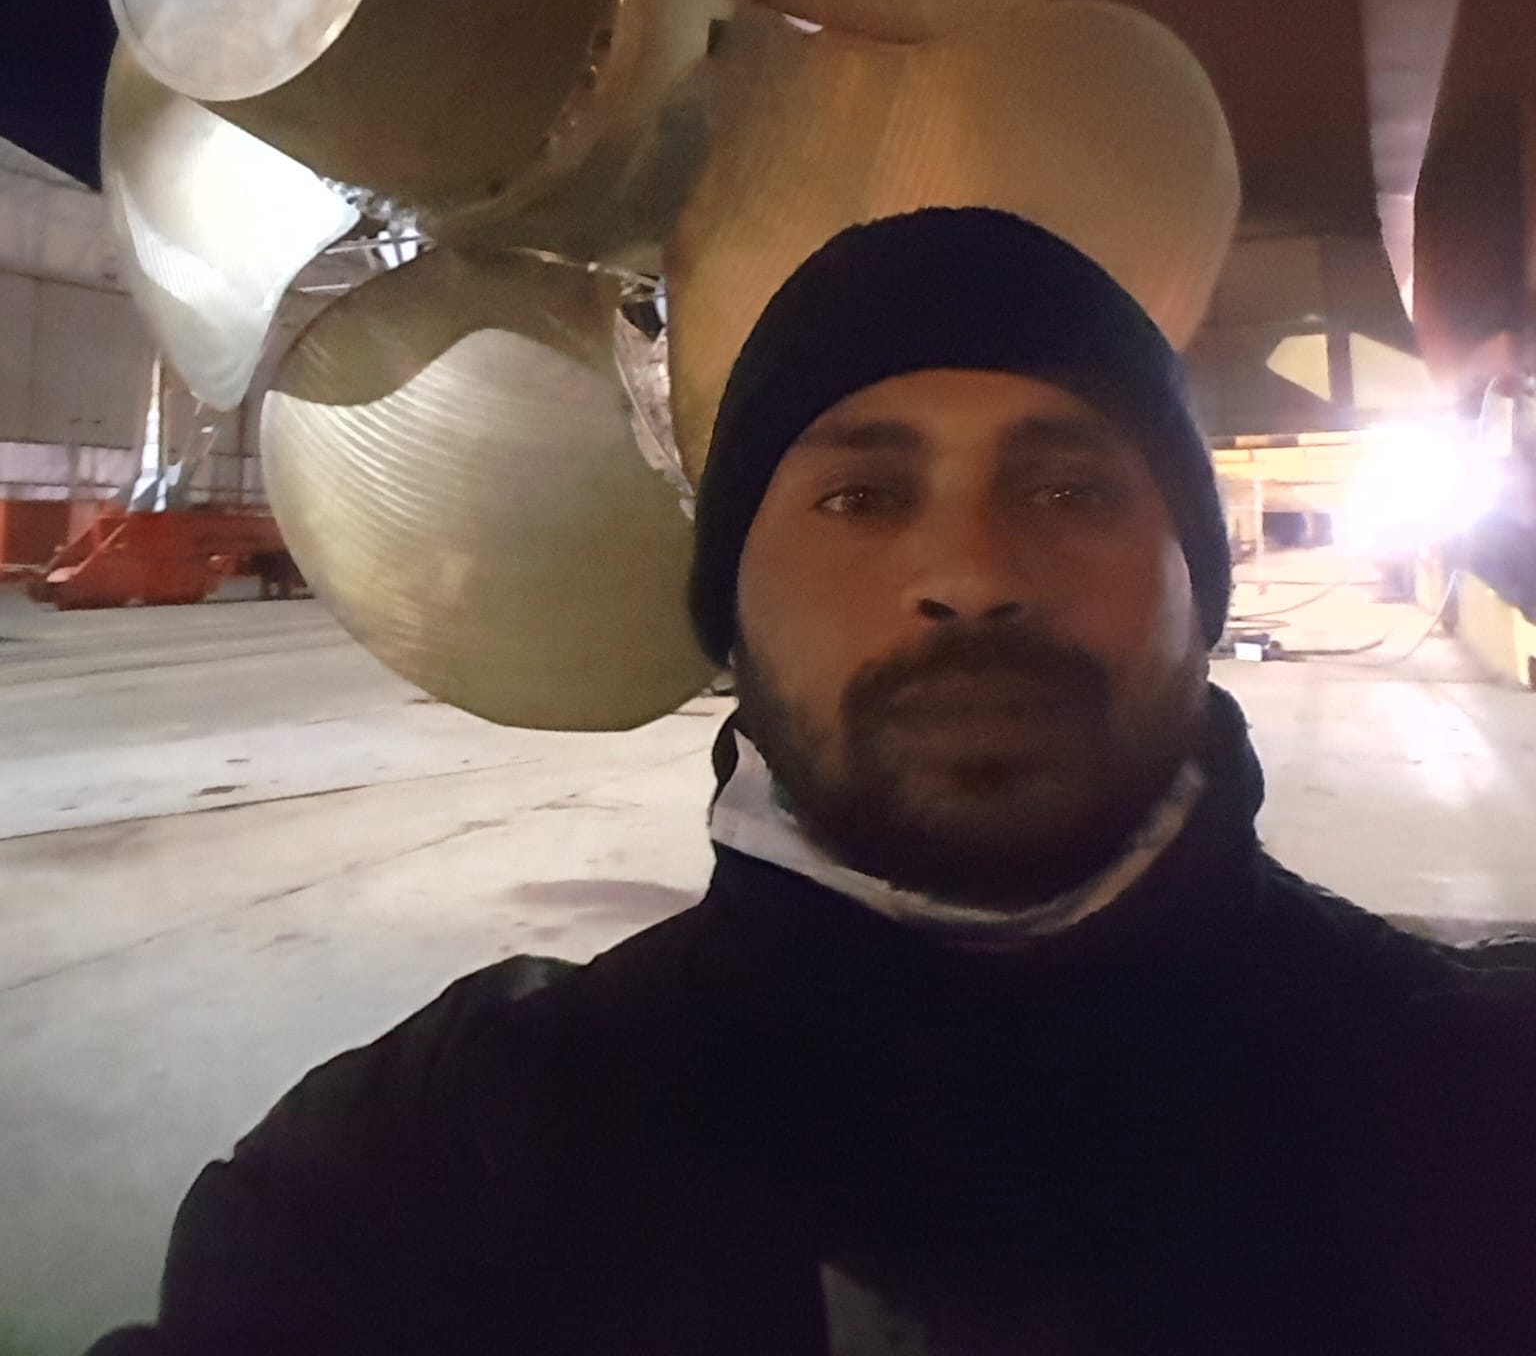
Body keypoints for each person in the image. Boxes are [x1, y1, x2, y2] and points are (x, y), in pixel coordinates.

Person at [91, 209, 1536, 1356]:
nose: (971, 573)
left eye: (1070, 490)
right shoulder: (426, 1182)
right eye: (862, 497)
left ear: (1198, 593)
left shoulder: (1476, 1111)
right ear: (732, 617)